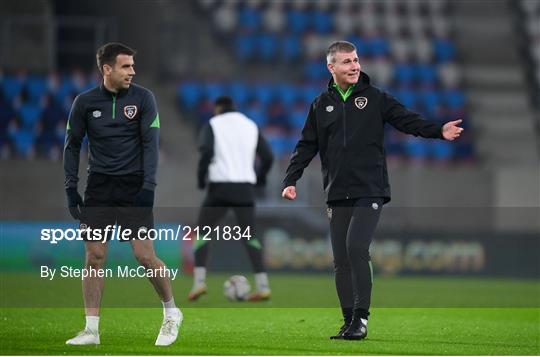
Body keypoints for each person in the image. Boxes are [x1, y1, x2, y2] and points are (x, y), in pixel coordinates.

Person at [281, 41, 463, 340]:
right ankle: (348, 321)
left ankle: (361, 319)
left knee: (356, 248)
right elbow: (306, 145)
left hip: (370, 188)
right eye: (347, 62)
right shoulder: (320, 104)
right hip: (337, 191)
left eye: (356, 61)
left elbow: (407, 120)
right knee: (340, 259)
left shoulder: (376, 98)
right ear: (332, 68)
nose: (354, 66)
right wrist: (291, 179)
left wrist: (438, 131)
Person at [63, 42, 182, 346]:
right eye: (126, 66)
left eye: (132, 66)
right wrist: (70, 188)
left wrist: (149, 188)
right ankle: (91, 329)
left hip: (133, 186)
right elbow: (72, 145)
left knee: (144, 256)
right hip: (99, 186)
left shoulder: (144, 98)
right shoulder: (84, 102)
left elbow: (150, 145)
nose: (133, 71)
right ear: (106, 69)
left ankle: (171, 312)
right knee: (94, 256)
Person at [189, 96, 274, 302]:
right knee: (250, 237)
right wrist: (260, 178)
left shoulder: (213, 124)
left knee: (202, 233)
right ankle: (263, 286)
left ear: (217, 108)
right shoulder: (250, 125)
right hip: (245, 189)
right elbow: (268, 156)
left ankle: (199, 283)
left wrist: (201, 179)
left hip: (219, 187)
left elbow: (207, 151)